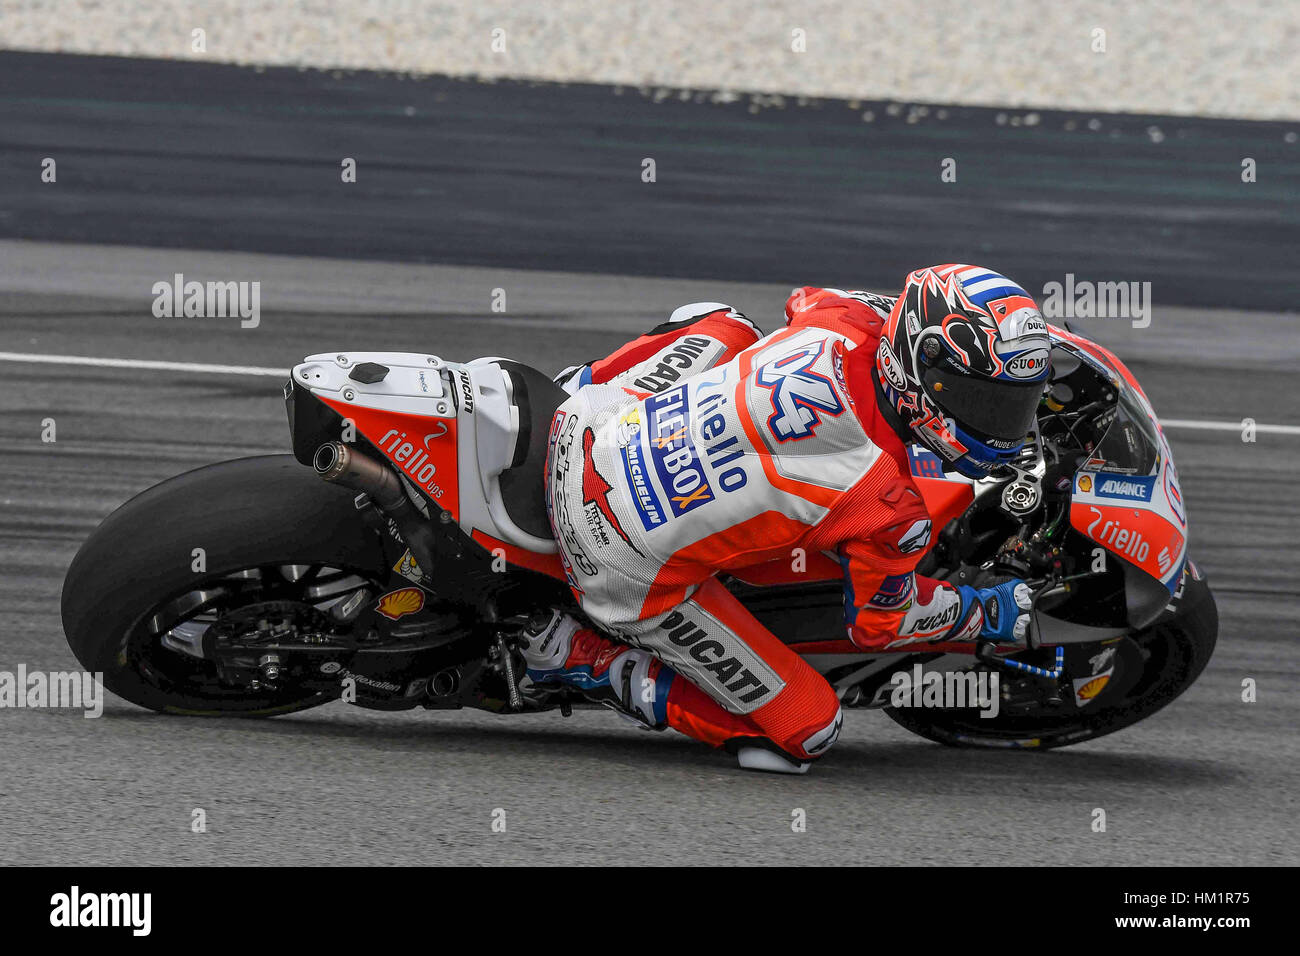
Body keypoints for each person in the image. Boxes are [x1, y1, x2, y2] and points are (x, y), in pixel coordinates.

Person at [526, 264, 1050, 773]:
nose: (1001, 424)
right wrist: (985, 611)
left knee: (726, 324)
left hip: (590, 423)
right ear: (926, 371)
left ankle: (579, 380)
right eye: (984, 401)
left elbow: (803, 298)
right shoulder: (888, 504)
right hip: (615, 560)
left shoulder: (841, 316)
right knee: (808, 730)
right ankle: (587, 662)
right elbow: (882, 624)